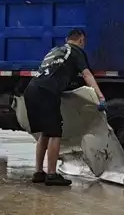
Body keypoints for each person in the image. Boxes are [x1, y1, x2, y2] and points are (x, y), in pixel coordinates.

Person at [22, 29, 106, 186]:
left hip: (31, 89)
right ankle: (52, 175)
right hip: (46, 92)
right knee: (55, 132)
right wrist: (100, 96)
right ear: (81, 40)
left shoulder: (55, 51)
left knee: (45, 133)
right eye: (84, 42)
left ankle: (39, 172)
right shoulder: (76, 51)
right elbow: (87, 75)